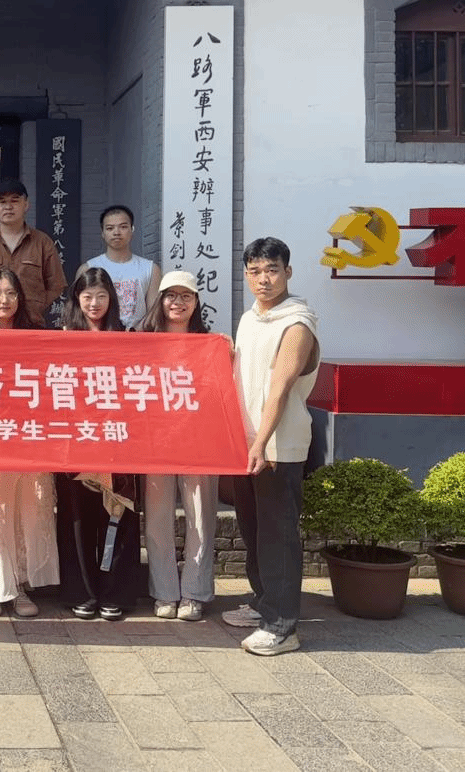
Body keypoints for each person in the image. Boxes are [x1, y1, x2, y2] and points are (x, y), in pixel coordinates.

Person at [223, 237, 319, 657]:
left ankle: (282, 627)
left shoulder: (297, 323)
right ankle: (263, 603)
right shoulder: (250, 319)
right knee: (253, 530)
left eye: (272, 270)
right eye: (255, 271)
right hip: (246, 444)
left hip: (278, 447)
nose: (263, 279)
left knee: (278, 536)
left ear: (288, 272)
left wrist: (261, 443)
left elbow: (279, 388)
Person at [0, 269, 59, 617]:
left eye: (11, 293)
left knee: (24, 510)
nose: (4, 300)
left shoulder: (35, 337)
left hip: (26, 435)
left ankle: (19, 586)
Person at [55, 267, 141, 622]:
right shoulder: (62, 337)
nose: (94, 303)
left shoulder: (127, 336)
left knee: (117, 516)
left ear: (112, 299)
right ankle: (82, 592)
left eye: (102, 296)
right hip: (75, 441)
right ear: (77, 299)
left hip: (117, 441)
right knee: (77, 520)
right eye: (87, 296)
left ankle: (114, 592)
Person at [137, 270, 218, 623]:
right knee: (157, 520)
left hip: (200, 443)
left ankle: (195, 593)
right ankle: (165, 592)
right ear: (160, 300)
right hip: (156, 443)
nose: (178, 302)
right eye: (171, 295)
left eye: (186, 296)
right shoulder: (145, 342)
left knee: (201, 518)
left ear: (196, 302)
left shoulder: (211, 344)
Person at [0, 177, 66, 329]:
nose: (8, 207)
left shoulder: (43, 243)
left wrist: (36, 306)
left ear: (26, 204)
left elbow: (56, 285)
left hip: (31, 325)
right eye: (2, 202)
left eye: (14, 201)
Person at [76, 205, 162, 329]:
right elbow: (78, 311)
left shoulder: (150, 269)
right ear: (102, 233)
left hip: (137, 337)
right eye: (110, 228)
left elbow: (154, 312)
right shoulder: (88, 268)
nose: (116, 232)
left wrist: (134, 332)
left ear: (132, 229)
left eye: (123, 227)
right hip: (98, 336)